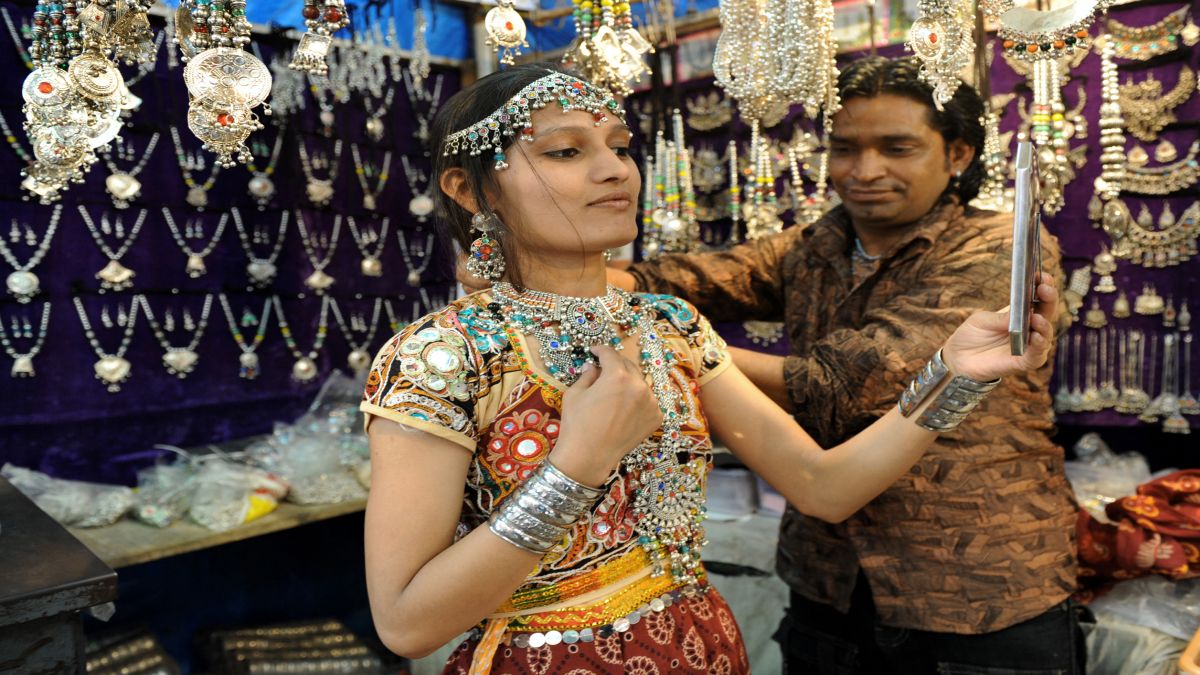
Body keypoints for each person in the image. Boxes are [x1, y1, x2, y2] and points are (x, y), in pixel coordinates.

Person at [362, 62, 1059, 675]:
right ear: (471, 188)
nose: (616, 170)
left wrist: (957, 372)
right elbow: (405, 624)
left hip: (699, 643)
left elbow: (824, 484)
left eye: (621, 148)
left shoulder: (670, 326)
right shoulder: (444, 355)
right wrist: (577, 466)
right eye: (568, 151)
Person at [608, 56, 1082, 674]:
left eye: (897, 148)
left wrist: (674, 342)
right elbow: (676, 279)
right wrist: (544, 272)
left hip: (979, 588)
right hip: (827, 583)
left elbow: (843, 385)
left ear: (958, 154)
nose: (865, 171)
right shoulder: (815, 245)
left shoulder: (1001, 249)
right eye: (845, 148)